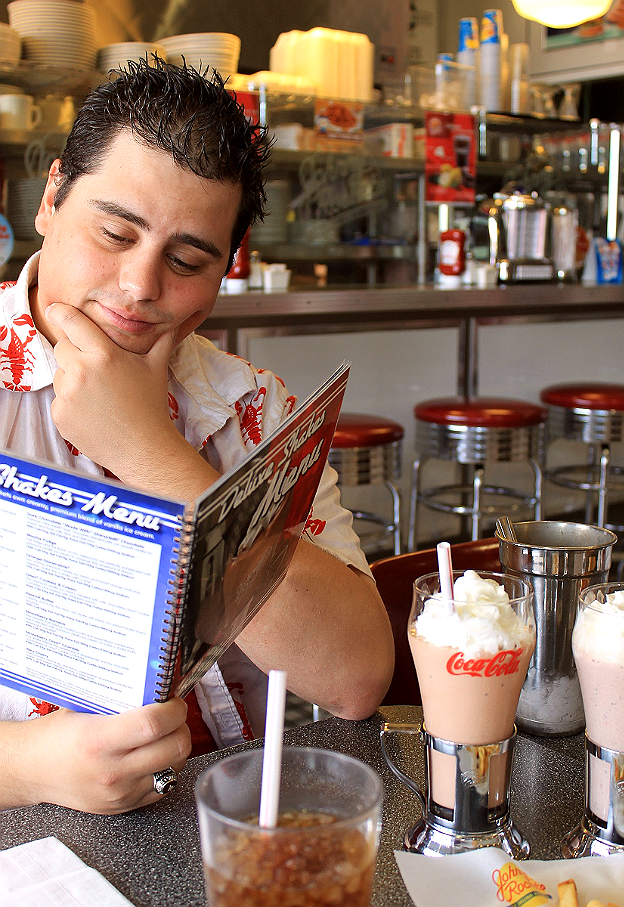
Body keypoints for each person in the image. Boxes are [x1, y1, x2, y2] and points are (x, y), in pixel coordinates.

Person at [0, 59, 394, 815]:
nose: (140, 286)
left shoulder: (254, 410)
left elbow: (356, 677)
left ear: (223, 270)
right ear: (51, 197)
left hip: (237, 837)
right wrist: (34, 768)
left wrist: (152, 454)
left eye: (186, 260)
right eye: (115, 233)